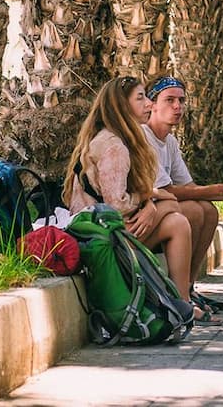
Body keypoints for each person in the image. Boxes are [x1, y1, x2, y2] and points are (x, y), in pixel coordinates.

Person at [64, 76, 203, 319]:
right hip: (101, 237)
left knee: (175, 216)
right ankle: (181, 302)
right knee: (174, 212)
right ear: (121, 105)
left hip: (102, 231)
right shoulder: (113, 145)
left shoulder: (117, 138)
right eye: (140, 98)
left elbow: (131, 193)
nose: (148, 104)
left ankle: (182, 301)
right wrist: (150, 200)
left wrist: (150, 202)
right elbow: (116, 207)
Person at [143, 76, 223, 317]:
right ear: (152, 104)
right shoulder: (144, 137)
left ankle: (188, 286)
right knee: (195, 210)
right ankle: (178, 297)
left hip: (162, 213)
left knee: (207, 210)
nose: (178, 107)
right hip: (142, 218)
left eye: (182, 101)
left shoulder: (170, 142)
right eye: (170, 100)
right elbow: (169, 192)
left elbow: (190, 188)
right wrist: (222, 190)